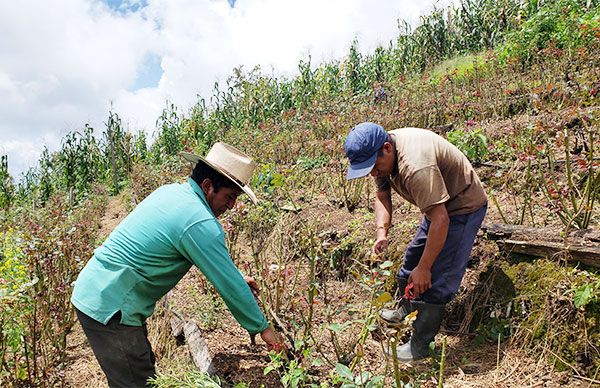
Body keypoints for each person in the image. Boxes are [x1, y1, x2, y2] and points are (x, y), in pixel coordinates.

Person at [71, 142, 286, 387]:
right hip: (112, 306)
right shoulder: (199, 221)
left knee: (140, 370)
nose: (231, 206)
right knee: (135, 381)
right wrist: (264, 329)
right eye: (229, 197)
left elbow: (212, 262)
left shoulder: (171, 192)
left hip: (101, 290)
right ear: (207, 186)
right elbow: (229, 287)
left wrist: (237, 277)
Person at [344, 122, 487, 361]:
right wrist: (382, 233)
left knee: (438, 279)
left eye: (373, 167)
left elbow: (441, 221)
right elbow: (382, 196)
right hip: (438, 208)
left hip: (462, 207)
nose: (372, 173)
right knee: (411, 258)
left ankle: (419, 347)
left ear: (387, 149)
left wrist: (425, 268)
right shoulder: (383, 158)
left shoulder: (416, 166)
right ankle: (406, 308)